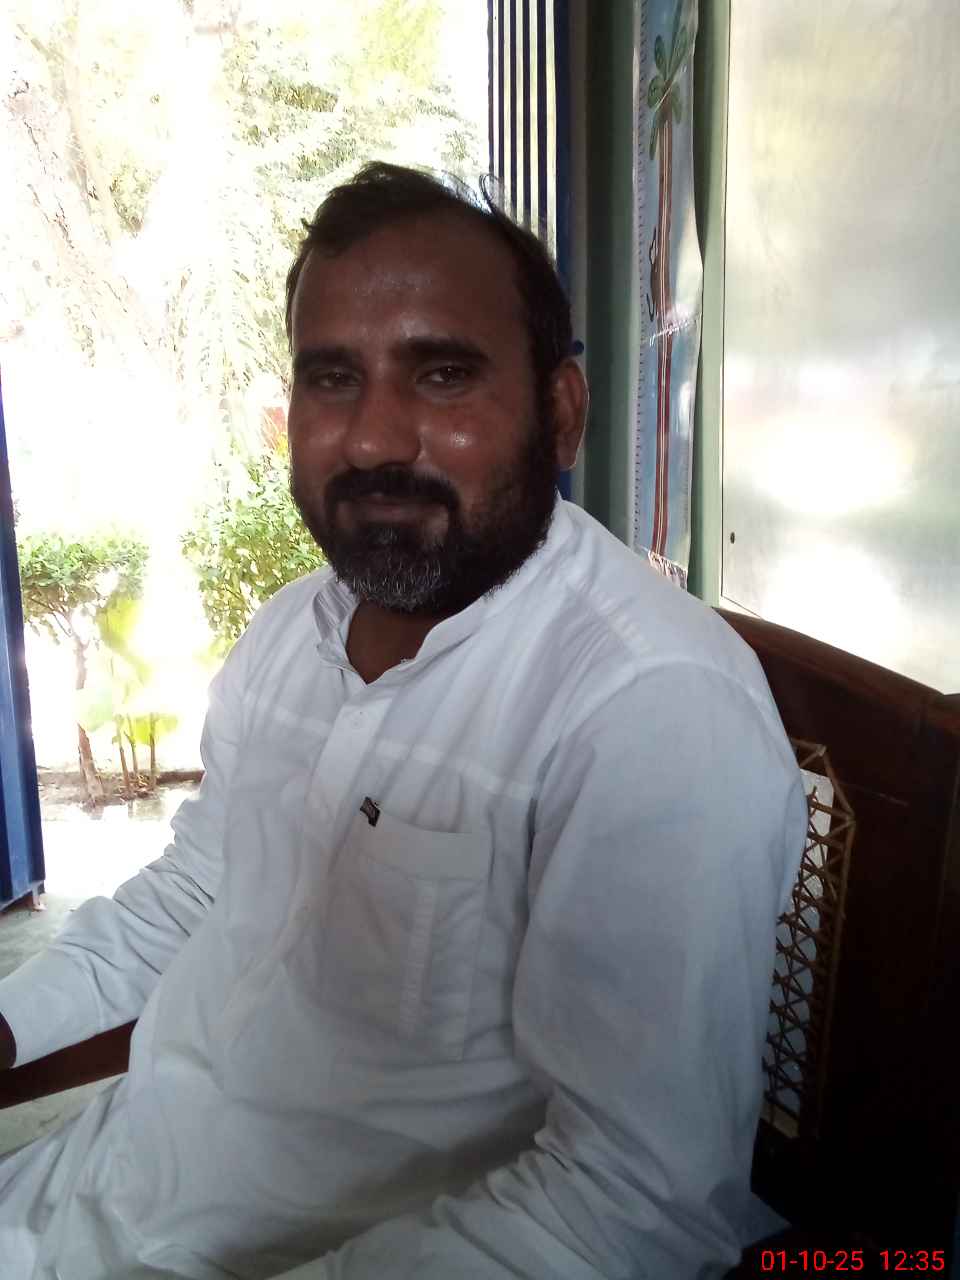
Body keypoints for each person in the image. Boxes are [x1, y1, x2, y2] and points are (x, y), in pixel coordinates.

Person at [0, 162, 806, 1279]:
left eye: (442, 373)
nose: (375, 437)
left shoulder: (648, 709)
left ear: (562, 413)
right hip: (97, 1180)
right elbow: (197, 890)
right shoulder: (291, 633)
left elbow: (630, 1206)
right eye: (332, 377)